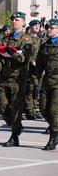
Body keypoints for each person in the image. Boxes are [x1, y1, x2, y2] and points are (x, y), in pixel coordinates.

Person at [0, 12, 31, 147]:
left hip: (18, 77)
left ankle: (14, 135)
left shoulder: (26, 39)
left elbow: (24, 58)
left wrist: (13, 53)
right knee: (2, 105)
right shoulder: (7, 38)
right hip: (5, 75)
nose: (14, 22)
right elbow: (0, 52)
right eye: (13, 20)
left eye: (17, 20)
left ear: (23, 22)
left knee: (15, 108)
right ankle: (17, 127)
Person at [36, 18, 58, 150]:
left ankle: (53, 137)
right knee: (43, 108)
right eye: (48, 28)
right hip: (46, 80)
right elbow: (39, 64)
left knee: (54, 110)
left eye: (51, 28)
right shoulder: (45, 45)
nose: (48, 30)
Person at [24, 20, 42, 120]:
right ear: (30, 27)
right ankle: (29, 110)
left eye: (38, 25)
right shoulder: (27, 38)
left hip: (37, 68)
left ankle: (34, 109)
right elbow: (26, 53)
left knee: (35, 88)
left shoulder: (39, 39)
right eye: (34, 25)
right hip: (29, 67)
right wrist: (31, 60)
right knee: (29, 89)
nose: (36, 27)